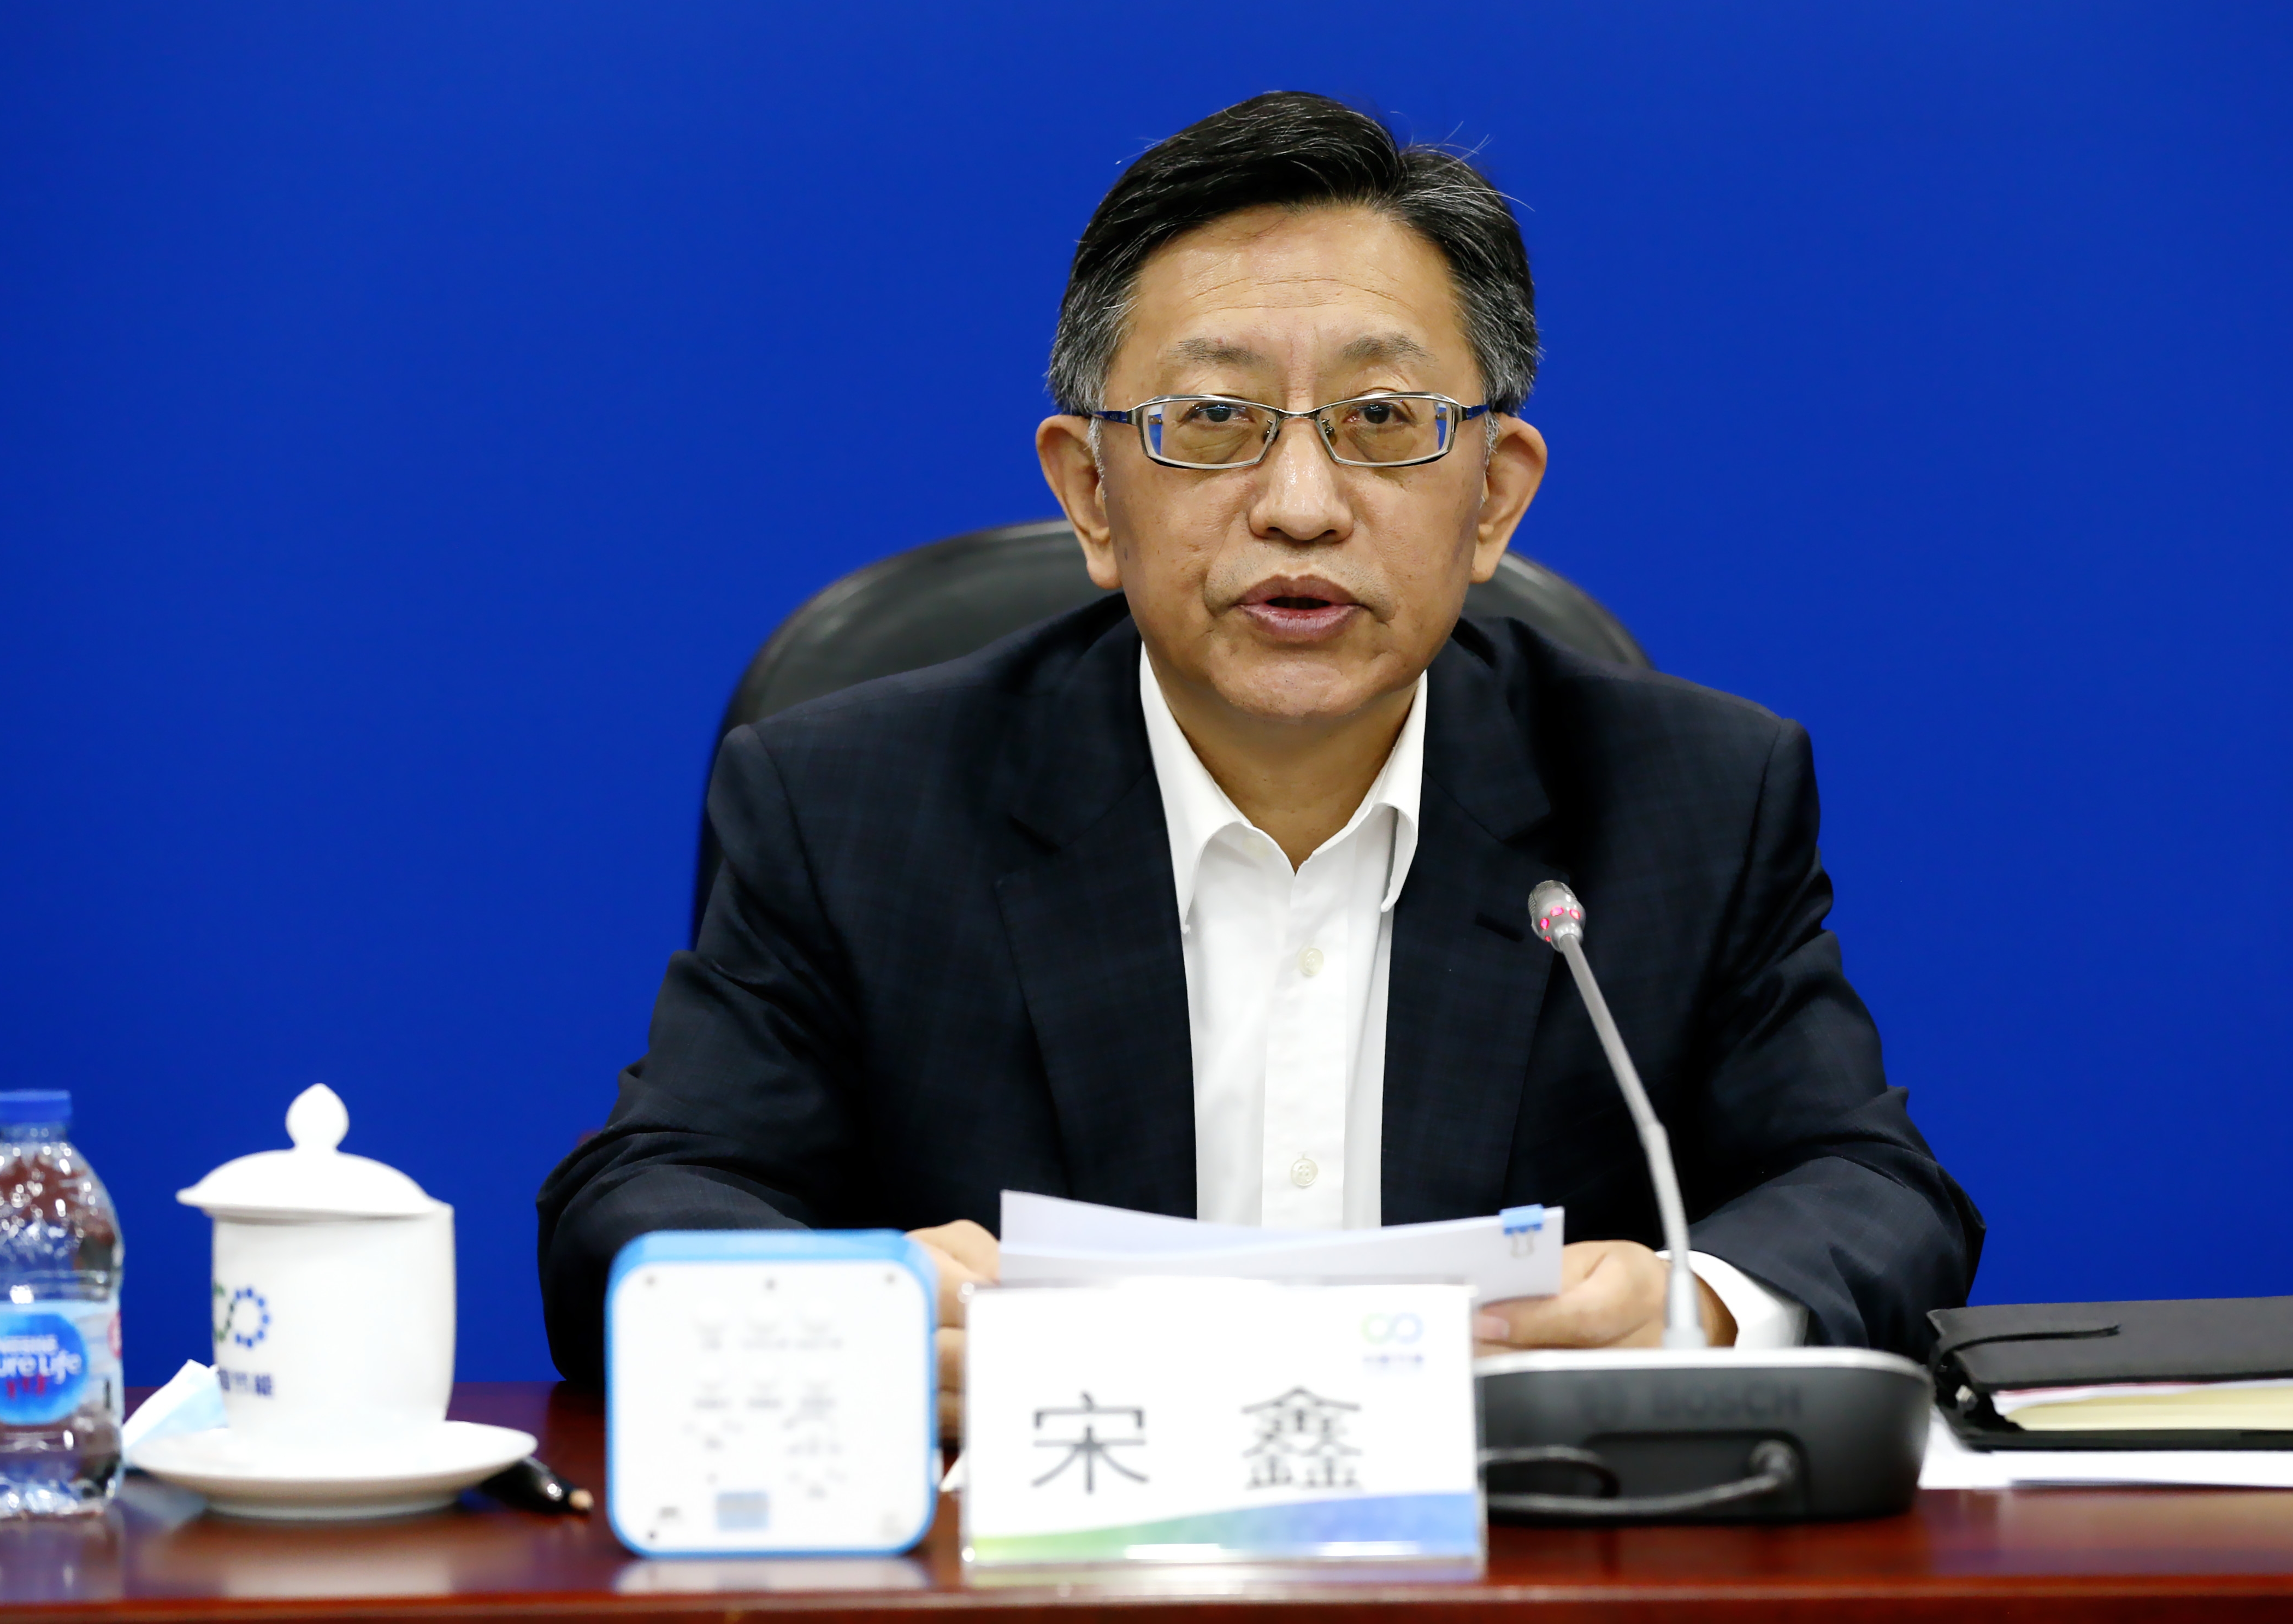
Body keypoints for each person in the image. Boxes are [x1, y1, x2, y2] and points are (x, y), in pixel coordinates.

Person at [539, 92, 1981, 1428]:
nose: (1300, 505)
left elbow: (1874, 1189)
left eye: (1383, 422)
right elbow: (637, 1202)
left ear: (1494, 499)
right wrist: (857, 1316)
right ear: (1090, 495)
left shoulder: (1688, 800)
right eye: (1215, 421)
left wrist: (1693, 1310)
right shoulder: (854, 804)